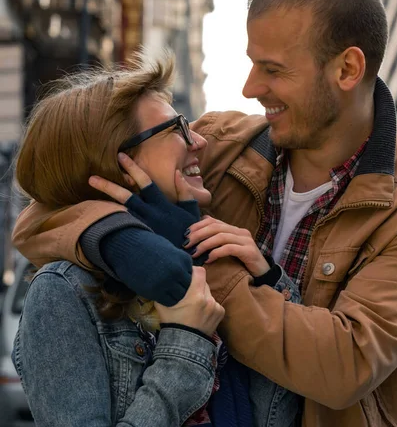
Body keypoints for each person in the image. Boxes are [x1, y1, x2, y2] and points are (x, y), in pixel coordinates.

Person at [13, 0, 397, 426]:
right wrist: (126, 239)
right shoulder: (220, 145)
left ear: (347, 69)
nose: (250, 87)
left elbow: (345, 365)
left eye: (273, 69)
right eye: (253, 63)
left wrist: (195, 257)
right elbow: (49, 208)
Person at [11, 51, 301, 427]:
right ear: (122, 165)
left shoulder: (206, 254)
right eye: (177, 129)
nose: (199, 141)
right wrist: (185, 339)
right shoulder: (64, 293)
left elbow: (281, 408)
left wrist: (266, 280)